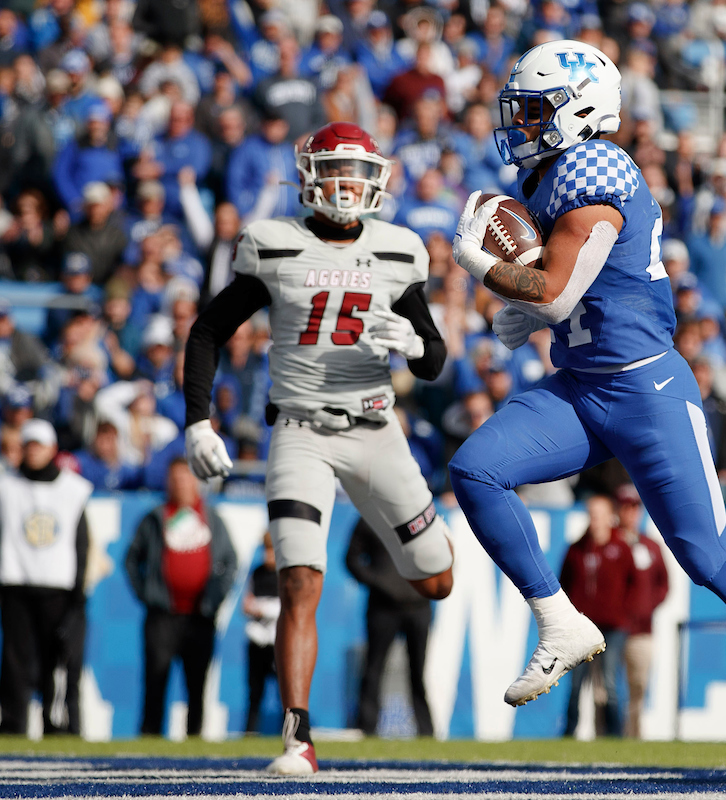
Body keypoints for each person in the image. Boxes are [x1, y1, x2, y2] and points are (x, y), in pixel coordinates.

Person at [448, 40, 726, 787]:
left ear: (581, 111)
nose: (523, 125)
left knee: (705, 556)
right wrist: (527, 312)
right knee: (476, 469)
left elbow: (562, 293)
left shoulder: (597, 170)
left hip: (645, 390)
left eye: (537, 111)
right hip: (579, 388)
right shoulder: (550, 175)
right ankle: (559, 620)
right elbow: (579, 293)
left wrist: (485, 269)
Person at [182, 121, 453, 775]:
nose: (346, 184)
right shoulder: (273, 245)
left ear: (376, 181)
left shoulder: (399, 250)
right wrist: (198, 420)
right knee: (298, 580)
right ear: (308, 178)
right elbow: (207, 331)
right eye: (333, 170)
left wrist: (416, 348)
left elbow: (435, 359)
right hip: (300, 430)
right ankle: (297, 738)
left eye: (357, 172)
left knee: (437, 580)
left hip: (376, 432)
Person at [124, 458, 237, 737]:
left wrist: (214, 598)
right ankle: (149, 740)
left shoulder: (212, 519)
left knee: (197, 685)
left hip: (200, 617)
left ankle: (194, 740)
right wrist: (148, 595)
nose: (180, 483)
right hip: (162, 616)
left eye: (185, 477)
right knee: (155, 681)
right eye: (174, 478)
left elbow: (230, 562)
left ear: (196, 481)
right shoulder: (155, 518)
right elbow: (131, 560)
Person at [0, 419, 91, 736]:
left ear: (52, 449)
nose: (34, 452)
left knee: (57, 661)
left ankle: (55, 723)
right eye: (29, 445)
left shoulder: (73, 489)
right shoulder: (7, 486)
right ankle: (13, 723)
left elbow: (82, 542)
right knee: (14, 660)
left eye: (39, 445)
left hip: (57, 587)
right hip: (15, 583)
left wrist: (79, 588)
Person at [345, 515, 434, 738]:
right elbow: (351, 559)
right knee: (373, 668)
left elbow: (441, 555)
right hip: (382, 607)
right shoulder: (370, 517)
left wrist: (428, 584)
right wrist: (379, 582)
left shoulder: (422, 514)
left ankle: (426, 731)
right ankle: (366, 728)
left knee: (418, 671)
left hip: (418, 605)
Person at [559, 494, 634, 738]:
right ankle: (570, 732)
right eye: (592, 514)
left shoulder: (621, 548)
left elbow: (635, 585)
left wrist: (624, 613)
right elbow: (563, 585)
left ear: (610, 517)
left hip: (612, 626)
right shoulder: (576, 549)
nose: (596, 520)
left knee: (610, 681)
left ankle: (615, 734)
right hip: (582, 626)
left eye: (600, 514)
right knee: (576, 683)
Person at [615, 483, 669, 739]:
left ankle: (633, 736)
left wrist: (645, 607)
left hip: (641, 628)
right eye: (625, 507)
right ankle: (605, 737)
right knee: (606, 687)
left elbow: (663, 584)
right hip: (611, 628)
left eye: (634, 507)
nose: (630, 513)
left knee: (638, 686)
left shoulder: (649, 546)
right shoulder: (609, 543)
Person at [243, 532, 280, 734]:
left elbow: (286, 609)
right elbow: (247, 603)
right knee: (254, 693)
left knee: (284, 694)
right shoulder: (257, 573)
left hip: (277, 643)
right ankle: (250, 734)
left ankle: (289, 734)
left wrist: (262, 609)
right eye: (266, 550)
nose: (269, 555)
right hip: (256, 642)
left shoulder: (285, 575)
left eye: (273, 550)